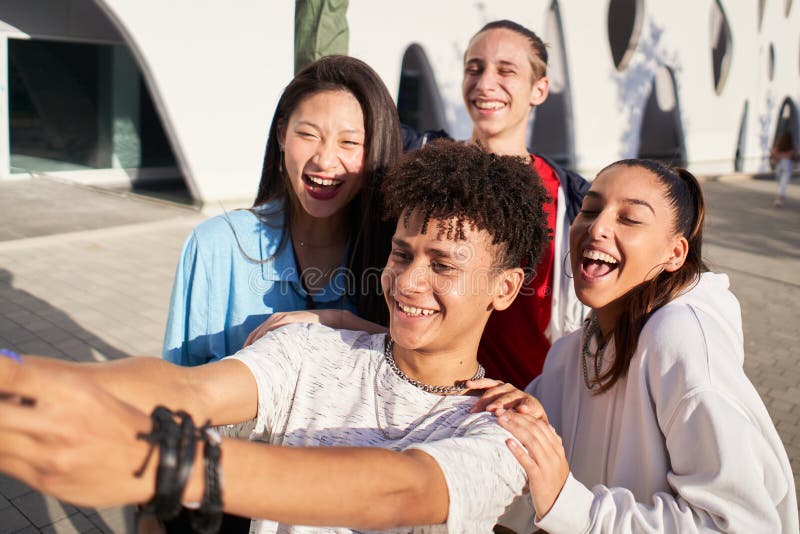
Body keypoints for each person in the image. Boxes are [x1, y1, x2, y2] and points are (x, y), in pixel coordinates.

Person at [0, 141, 552, 533]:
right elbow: (189, 391)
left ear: (503, 289)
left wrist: (169, 464)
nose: (408, 280)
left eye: (444, 265)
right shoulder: (311, 349)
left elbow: (401, 489)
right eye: (401, 253)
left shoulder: (504, 430)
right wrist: (22, 378)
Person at [470, 159, 798, 532]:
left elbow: (738, 524)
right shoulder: (569, 353)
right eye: (590, 210)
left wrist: (570, 504)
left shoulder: (680, 340)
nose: (598, 227)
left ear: (675, 254)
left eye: (630, 219)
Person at [162, 54, 401, 367]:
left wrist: (338, 321)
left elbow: (421, 371)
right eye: (308, 134)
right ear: (281, 136)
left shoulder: (398, 253)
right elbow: (177, 384)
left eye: (350, 142)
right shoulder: (215, 245)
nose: (325, 160)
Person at [405, 19, 590, 387]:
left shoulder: (572, 200)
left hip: (520, 404)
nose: (485, 82)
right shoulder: (422, 160)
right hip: (420, 397)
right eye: (474, 68)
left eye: (506, 70)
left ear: (539, 89)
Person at [769, 130, 799, 207]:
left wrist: (775, 159)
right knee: (783, 182)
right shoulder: (792, 146)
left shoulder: (780, 145)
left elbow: (773, 153)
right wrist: (795, 164)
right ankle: (780, 197)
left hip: (780, 164)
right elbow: (795, 156)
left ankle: (779, 198)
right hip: (788, 164)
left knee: (780, 181)